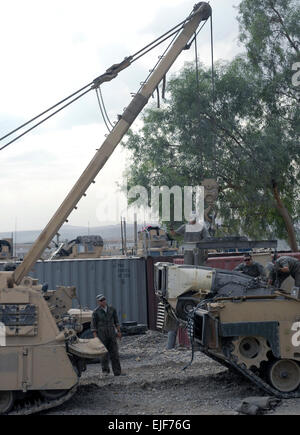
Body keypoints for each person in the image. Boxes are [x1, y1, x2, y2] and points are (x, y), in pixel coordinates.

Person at [91, 294, 124, 376]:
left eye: (104, 299)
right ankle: (105, 371)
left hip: (111, 333)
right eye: (101, 300)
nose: (103, 301)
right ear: (98, 302)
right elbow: (93, 326)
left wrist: (119, 332)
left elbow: (116, 321)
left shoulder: (112, 309)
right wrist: (96, 338)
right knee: (103, 354)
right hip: (101, 334)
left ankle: (117, 372)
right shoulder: (96, 312)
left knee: (115, 353)